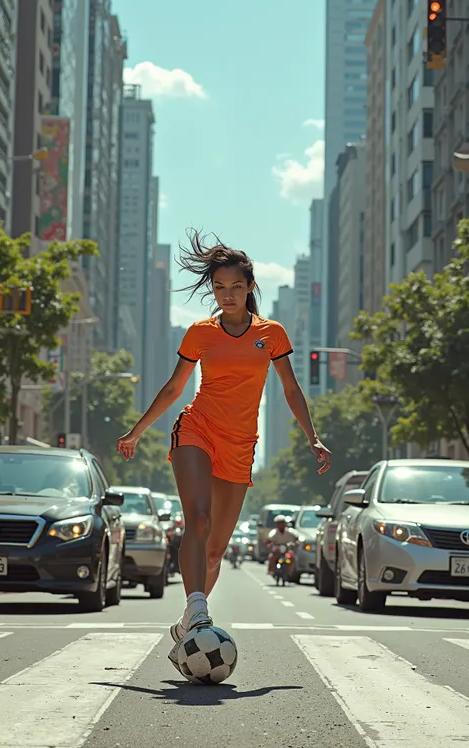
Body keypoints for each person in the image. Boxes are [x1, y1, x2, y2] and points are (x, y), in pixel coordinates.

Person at [116, 230, 331, 672]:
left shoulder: (271, 334)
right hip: (197, 429)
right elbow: (176, 387)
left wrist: (312, 436)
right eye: (218, 287)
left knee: (215, 550)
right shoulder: (201, 333)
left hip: (240, 444)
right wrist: (136, 432)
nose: (227, 295)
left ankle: (186, 627)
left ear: (250, 287)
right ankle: (199, 611)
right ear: (211, 290)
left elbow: (291, 389)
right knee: (197, 519)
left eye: (236, 286)